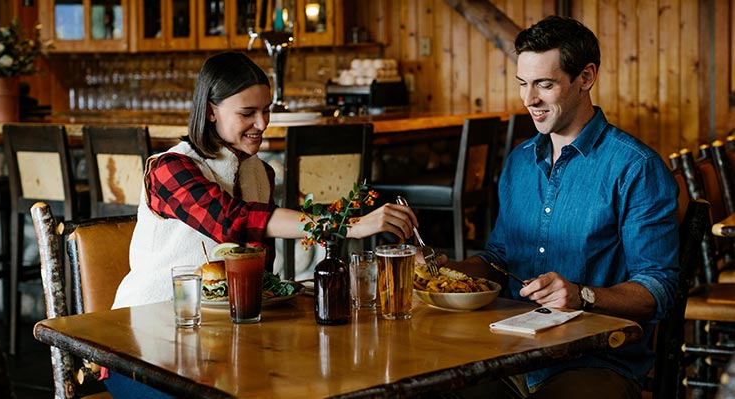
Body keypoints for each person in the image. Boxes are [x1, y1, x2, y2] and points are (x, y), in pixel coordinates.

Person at [105, 52, 418, 398]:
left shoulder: (260, 173)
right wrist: (349, 225)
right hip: (142, 346)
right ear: (210, 110)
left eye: (266, 110)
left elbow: (257, 268)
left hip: (221, 347)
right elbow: (231, 220)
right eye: (247, 113)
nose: (262, 123)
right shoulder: (169, 169)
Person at [442, 16, 679, 399]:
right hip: (507, 355)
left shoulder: (636, 168)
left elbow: (659, 289)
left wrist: (582, 296)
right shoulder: (519, 162)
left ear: (585, 77)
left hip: (599, 362)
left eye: (544, 84)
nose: (528, 99)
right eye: (523, 83)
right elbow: (500, 257)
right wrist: (446, 270)